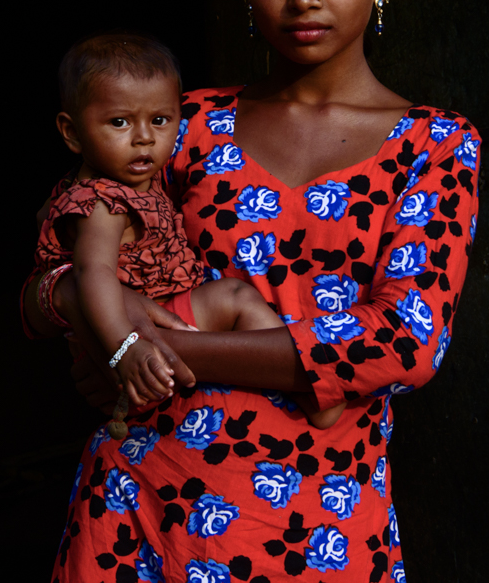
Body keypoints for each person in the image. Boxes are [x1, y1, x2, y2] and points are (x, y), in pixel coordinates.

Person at [22, 0, 481, 583]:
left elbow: (405, 341)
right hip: (144, 505)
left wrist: (165, 342)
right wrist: (86, 309)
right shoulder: (180, 126)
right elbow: (51, 276)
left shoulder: (435, 146)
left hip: (320, 526)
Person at [33, 33, 345, 430]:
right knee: (234, 296)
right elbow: (90, 273)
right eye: (119, 122)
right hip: (137, 338)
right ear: (72, 133)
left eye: (160, 120)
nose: (144, 137)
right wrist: (124, 351)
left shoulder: (133, 185)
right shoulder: (102, 202)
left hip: (154, 333)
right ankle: (313, 384)